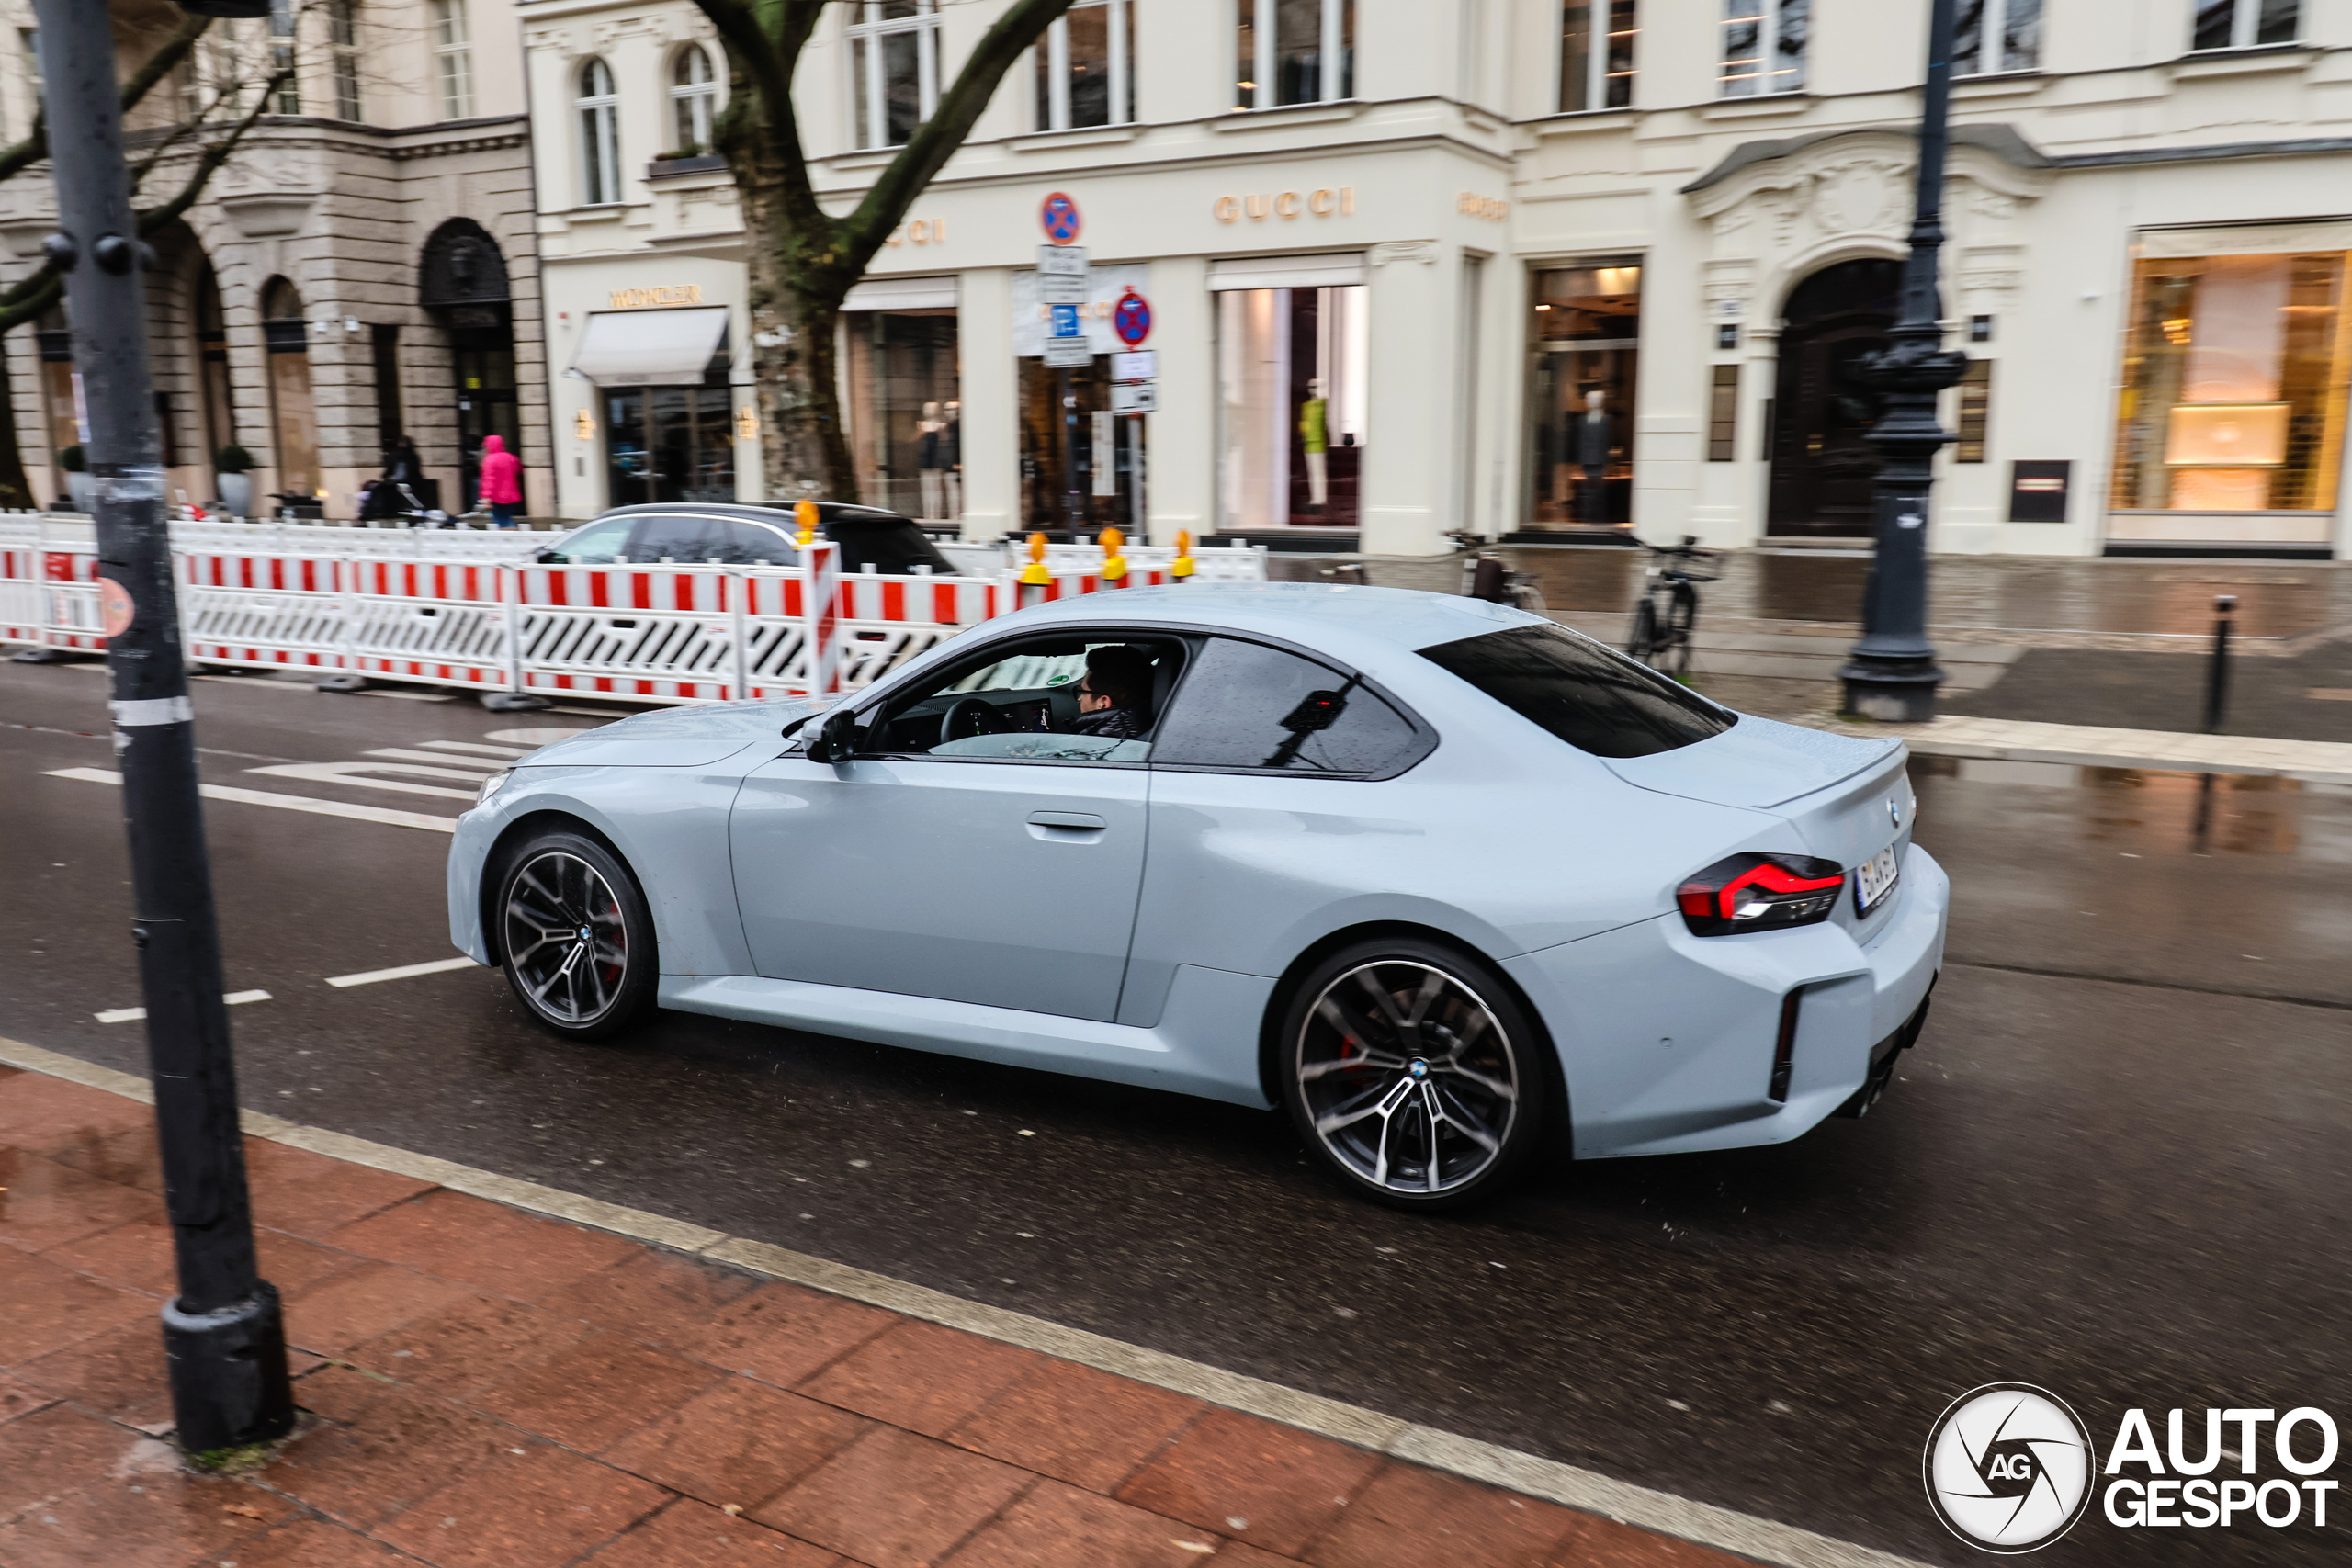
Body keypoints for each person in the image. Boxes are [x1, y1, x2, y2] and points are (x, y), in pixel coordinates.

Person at [1071, 644, 1151, 740]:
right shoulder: (1142, 730)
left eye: (1082, 691)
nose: (1079, 699)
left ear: (1103, 703)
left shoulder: (1097, 746)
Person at [479, 434, 523, 528]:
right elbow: (518, 470)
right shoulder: (511, 457)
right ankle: (513, 534)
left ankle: (510, 538)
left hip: (496, 496)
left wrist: (486, 497)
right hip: (511, 494)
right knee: (506, 517)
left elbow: (489, 480)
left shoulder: (489, 460)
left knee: (500, 520)